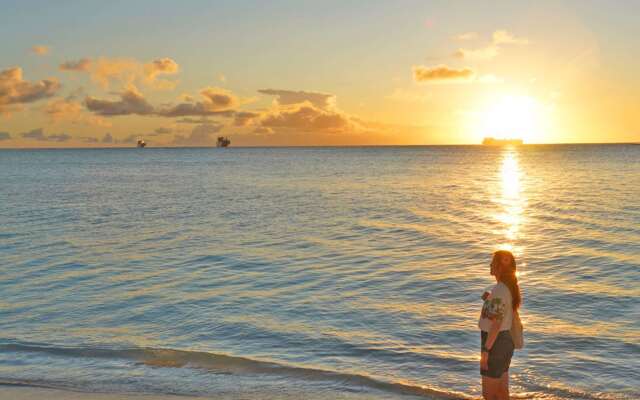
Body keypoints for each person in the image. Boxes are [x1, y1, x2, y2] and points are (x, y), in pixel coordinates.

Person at [478, 250, 522, 400]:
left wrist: (486, 351)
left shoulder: (500, 290)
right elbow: (502, 312)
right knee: (501, 392)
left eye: (493, 262)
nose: (490, 265)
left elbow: (496, 324)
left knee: (489, 394)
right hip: (504, 342)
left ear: (499, 267)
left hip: (495, 342)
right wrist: (489, 300)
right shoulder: (506, 288)